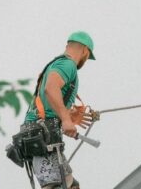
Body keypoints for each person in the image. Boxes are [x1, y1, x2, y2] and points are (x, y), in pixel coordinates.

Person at [22, 31, 97, 188]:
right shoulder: (68, 65)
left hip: (40, 134)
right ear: (85, 51)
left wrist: (67, 114)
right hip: (42, 137)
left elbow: (46, 101)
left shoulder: (57, 64)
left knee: (70, 185)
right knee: (56, 186)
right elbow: (51, 88)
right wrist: (65, 118)